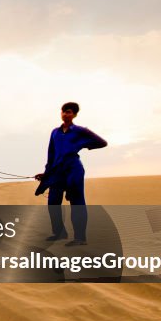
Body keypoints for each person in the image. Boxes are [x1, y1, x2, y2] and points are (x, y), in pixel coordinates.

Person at [35, 102, 108, 245]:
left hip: (74, 169)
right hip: (57, 171)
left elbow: (102, 142)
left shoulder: (80, 131)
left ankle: (80, 238)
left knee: (77, 202)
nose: (65, 114)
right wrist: (46, 173)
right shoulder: (55, 132)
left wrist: (84, 145)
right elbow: (51, 154)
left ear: (74, 114)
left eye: (68, 112)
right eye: (63, 111)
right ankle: (59, 233)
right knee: (53, 202)